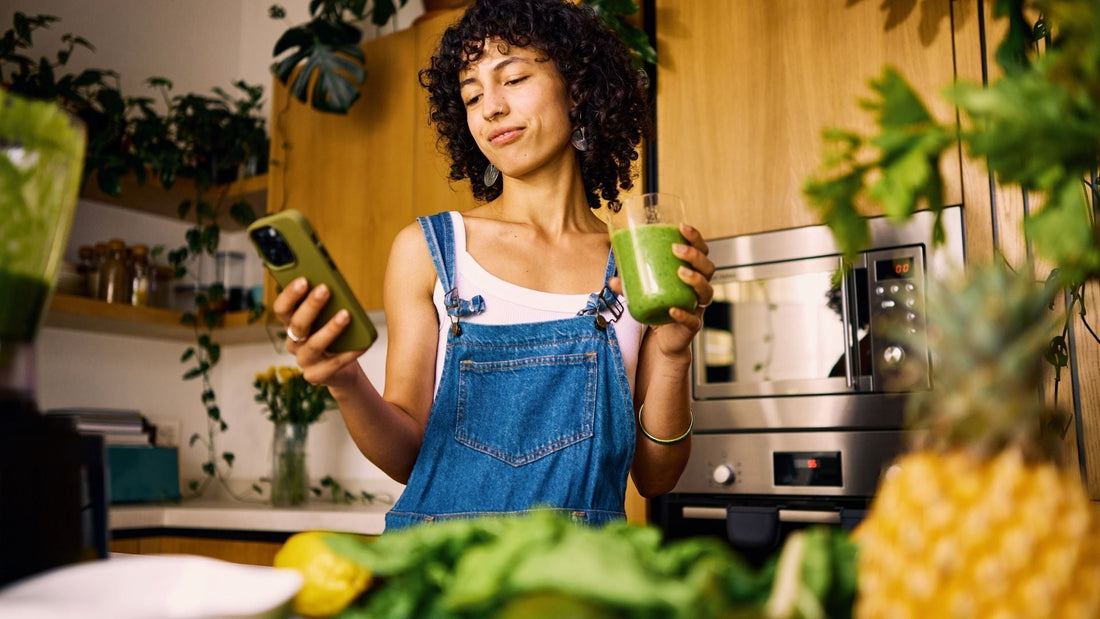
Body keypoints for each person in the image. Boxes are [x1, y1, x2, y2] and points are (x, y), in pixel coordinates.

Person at [272, 0, 715, 530]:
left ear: (577, 88)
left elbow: (657, 476)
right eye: (472, 95)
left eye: (514, 79)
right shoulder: (430, 250)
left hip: (581, 572)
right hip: (442, 565)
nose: (491, 109)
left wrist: (673, 353)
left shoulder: (634, 264)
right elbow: (406, 455)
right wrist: (345, 381)